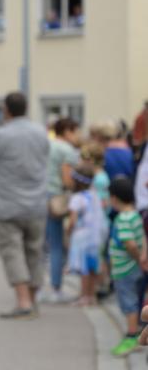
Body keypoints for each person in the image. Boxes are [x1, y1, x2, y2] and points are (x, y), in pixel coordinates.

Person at [0, 92, 50, 319]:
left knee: (12, 252)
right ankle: (33, 300)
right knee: (35, 252)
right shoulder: (40, 132)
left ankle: (23, 302)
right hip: (37, 202)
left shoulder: (1, 135)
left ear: (6, 110)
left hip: (8, 204)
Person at [41, 117, 80, 304]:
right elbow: (67, 178)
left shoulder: (46, 145)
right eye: (75, 131)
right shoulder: (67, 150)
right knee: (57, 245)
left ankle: (38, 289)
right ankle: (56, 288)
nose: (77, 136)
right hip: (56, 197)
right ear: (67, 131)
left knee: (42, 244)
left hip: (39, 195)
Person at [107, 176, 148, 356]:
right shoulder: (136, 215)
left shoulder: (122, 218)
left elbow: (129, 243)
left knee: (128, 303)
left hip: (124, 269)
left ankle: (131, 336)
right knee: (135, 301)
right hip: (135, 269)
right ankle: (136, 332)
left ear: (114, 198)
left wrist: (137, 258)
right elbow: (141, 238)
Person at [67, 165, 105, 306]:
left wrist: (68, 230)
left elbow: (73, 220)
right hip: (95, 236)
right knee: (92, 266)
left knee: (83, 268)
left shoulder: (76, 198)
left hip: (81, 236)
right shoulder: (95, 195)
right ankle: (92, 295)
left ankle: (84, 296)